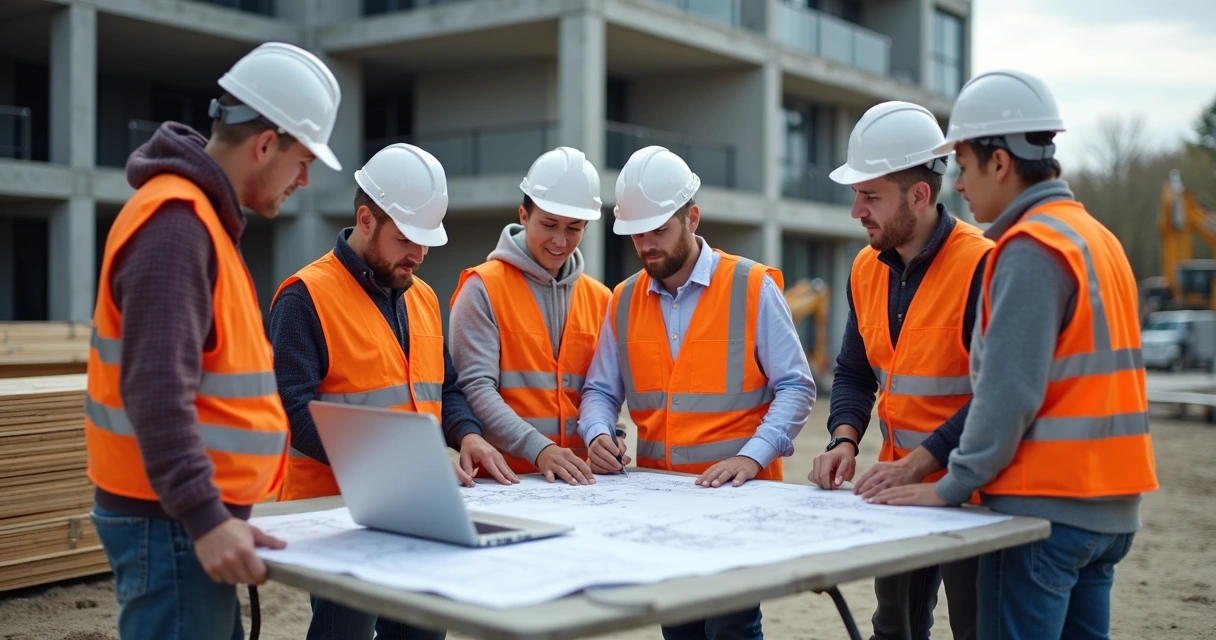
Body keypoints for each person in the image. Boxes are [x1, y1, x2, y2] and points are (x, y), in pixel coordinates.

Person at [870, 69, 1159, 640]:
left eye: (965, 166)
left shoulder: (1028, 248)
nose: (958, 185)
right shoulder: (1096, 239)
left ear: (1000, 163)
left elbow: (1007, 393)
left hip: (1041, 515)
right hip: (1111, 508)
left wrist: (951, 486)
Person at [86, 42, 341, 639]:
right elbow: (155, 389)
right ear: (263, 144)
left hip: (180, 517)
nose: (304, 181)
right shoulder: (177, 226)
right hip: (172, 522)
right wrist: (205, 518)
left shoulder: (196, 221)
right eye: (302, 160)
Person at [267, 142, 516, 640]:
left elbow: (444, 388)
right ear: (365, 219)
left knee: (422, 629)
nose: (418, 255)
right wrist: (400, 466)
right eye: (406, 239)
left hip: (415, 505)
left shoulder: (421, 296)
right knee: (347, 631)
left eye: (426, 242)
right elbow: (293, 409)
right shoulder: (305, 296)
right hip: (336, 510)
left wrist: (467, 434)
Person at [578, 145, 816, 640]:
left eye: (658, 230)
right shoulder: (623, 300)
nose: (646, 244)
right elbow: (600, 389)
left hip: (738, 500)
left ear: (693, 216)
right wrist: (598, 432)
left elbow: (796, 386)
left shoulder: (751, 286)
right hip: (661, 504)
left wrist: (752, 458)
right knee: (679, 630)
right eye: (636, 233)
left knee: (733, 629)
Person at [807, 101, 992, 640]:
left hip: (974, 492)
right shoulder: (867, 266)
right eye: (855, 196)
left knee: (977, 629)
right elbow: (854, 370)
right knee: (895, 629)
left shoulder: (982, 264)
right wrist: (844, 438)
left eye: (870, 197)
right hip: (896, 486)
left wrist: (919, 465)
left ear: (919, 194)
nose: (856, 211)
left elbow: (996, 396)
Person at [450, 147, 610, 485]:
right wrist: (539, 449)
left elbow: (602, 392)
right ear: (523, 215)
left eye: (574, 228)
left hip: (583, 483)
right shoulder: (482, 289)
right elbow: (475, 389)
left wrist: (609, 435)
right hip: (508, 482)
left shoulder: (599, 298)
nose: (560, 240)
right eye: (549, 224)